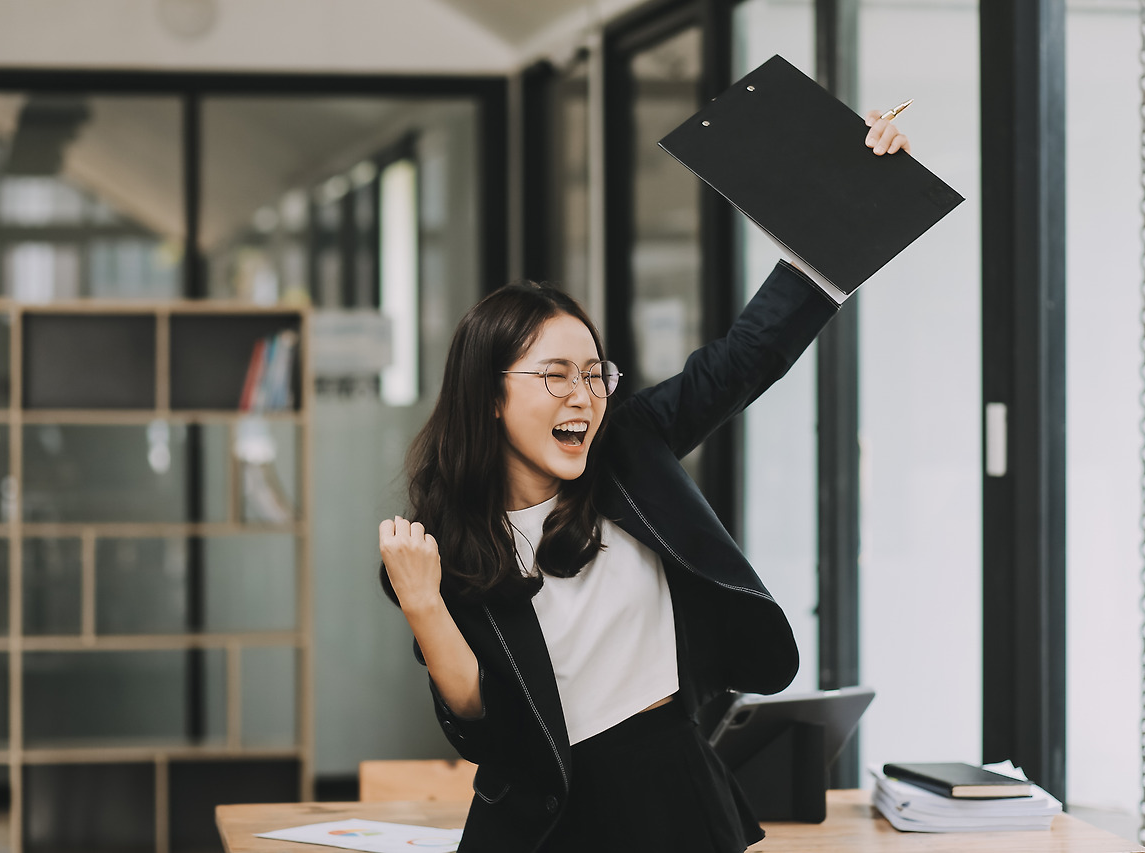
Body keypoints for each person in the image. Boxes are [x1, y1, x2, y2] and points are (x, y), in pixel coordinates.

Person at [378, 112, 911, 852]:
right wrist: (422, 603)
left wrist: (858, 189)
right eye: (555, 375)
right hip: (544, 816)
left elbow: (744, 357)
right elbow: (481, 720)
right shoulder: (447, 542)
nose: (584, 396)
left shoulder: (628, 449)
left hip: (674, 789)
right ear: (490, 394)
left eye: (595, 374)